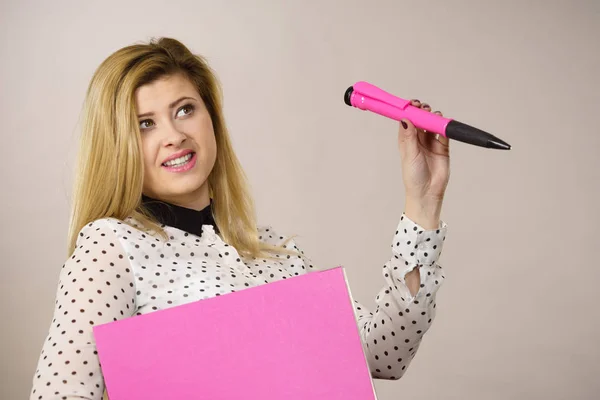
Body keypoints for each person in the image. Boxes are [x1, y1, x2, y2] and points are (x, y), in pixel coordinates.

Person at [30, 37, 450, 400]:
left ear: (211, 117)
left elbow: (382, 353)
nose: (173, 135)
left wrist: (423, 202)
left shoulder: (278, 254)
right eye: (144, 124)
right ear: (118, 144)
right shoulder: (112, 246)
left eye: (184, 110)